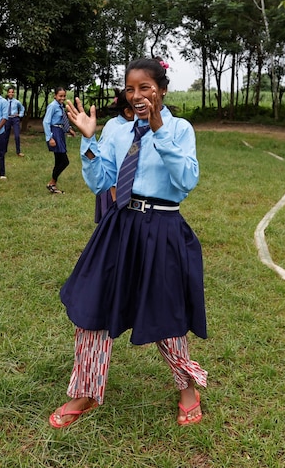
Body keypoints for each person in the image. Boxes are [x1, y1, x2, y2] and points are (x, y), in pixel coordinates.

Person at [50, 58, 206, 429]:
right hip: (119, 227)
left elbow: (186, 180)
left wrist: (158, 130)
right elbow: (100, 180)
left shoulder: (179, 129)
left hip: (162, 227)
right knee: (92, 308)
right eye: (131, 89)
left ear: (162, 90)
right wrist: (89, 139)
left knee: (166, 314)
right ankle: (85, 392)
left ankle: (187, 388)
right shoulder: (117, 131)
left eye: (146, 88)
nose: (137, 96)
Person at [93, 90, 133, 223]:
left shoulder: (115, 123)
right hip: (114, 187)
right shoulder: (118, 129)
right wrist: (115, 196)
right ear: (128, 112)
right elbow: (111, 163)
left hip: (118, 185)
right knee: (116, 224)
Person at [43, 87, 75, 194]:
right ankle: (52, 182)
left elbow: (62, 120)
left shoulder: (60, 106)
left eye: (64, 96)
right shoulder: (52, 106)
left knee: (58, 160)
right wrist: (50, 138)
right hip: (55, 133)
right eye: (60, 96)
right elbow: (46, 122)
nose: (62, 98)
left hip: (60, 132)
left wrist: (69, 129)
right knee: (64, 161)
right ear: (55, 96)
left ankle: (53, 185)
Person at [6, 87, 25, 156]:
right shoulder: (4, 101)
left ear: (14, 93)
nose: (11, 93)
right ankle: (4, 151)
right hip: (7, 119)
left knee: (17, 135)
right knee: (5, 136)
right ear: (7, 93)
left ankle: (18, 151)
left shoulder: (17, 102)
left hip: (15, 119)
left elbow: (22, 108)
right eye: (9, 92)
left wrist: (20, 115)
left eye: (12, 92)